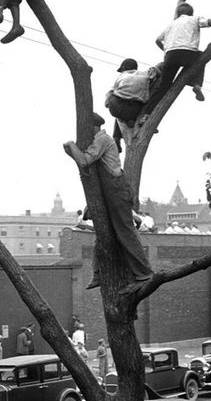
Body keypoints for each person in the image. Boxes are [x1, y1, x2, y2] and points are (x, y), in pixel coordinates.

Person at [64, 114, 153, 289]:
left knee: (125, 232)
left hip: (117, 191)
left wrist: (70, 145)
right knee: (103, 233)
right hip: (108, 193)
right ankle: (98, 273)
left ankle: (144, 273)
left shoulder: (102, 140)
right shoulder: (98, 141)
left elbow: (84, 160)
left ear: (93, 127)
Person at [153, 3, 211, 104]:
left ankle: (149, 110)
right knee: (201, 57)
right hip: (188, 53)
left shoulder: (171, 25)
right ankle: (197, 84)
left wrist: (166, 50)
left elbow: (157, 40)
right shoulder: (195, 19)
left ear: (178, 13)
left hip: (170, 55)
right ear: (191, 13)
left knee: (163, 86)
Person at [105, 58, 163, 150]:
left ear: (123, 68)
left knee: (116, 102)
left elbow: (110, 92)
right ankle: (130, 120)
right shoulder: (145, 74)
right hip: (133, 109)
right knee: (140, 103)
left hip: (115, 106)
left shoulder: (122, 75)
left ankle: (117, 137)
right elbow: (156, 70)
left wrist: (107, 103)